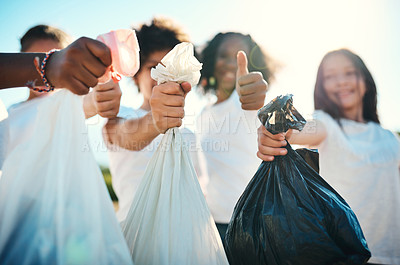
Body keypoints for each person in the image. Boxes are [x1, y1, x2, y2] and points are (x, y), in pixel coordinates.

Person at [257, 48, 400, 264]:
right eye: (330, 77)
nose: (341, 81)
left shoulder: (389, 138)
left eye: (349, 73)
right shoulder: (329, 125)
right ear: (321, 87)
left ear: (366, 80)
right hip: (346, 256)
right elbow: (303, 129)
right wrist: (276, 129)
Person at [103, 17, 200, 223]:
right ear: (136, 75)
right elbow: (123, 134)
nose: (162, 75)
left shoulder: (190, 137)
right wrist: (156, 120)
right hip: (133, 237)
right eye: (153, 67)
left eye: (171, 67)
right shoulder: (120, 117)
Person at [195, 32, 277, 239]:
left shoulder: (248, 103)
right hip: (214, 224)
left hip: (254, 223)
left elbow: (259, 106)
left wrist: (254, 94)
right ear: (211, 60)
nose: (231, 64)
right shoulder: (204, 114)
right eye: (223, 55)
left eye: (239, 57)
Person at [0, 36, 112, 95]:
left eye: (56, 54)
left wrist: (101, 95)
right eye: (35, 55)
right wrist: (49, 66)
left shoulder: (68, 102)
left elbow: (89, 103)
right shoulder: (9, 114)